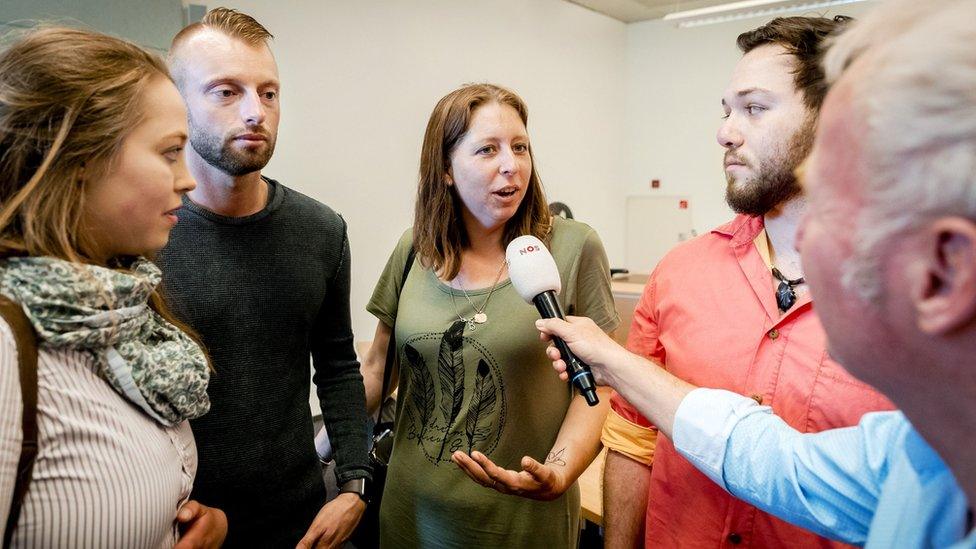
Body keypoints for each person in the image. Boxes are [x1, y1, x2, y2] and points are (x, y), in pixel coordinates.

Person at [537, 0, 976, 546]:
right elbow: (768, 457)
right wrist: (616, 363)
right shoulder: (909, 459)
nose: (725, 133)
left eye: (848, 197)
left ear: (946, 268)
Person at [599, 15, 893, 548]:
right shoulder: (680, 272)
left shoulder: (920, 303)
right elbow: (633, 437)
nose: (725, 132)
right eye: (727, 110)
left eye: (754, 108)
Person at [361, 83, 619, 547]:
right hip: (411, 516)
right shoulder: (413, 250)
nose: (511, 165)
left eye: (521, 147)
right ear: (445, 170)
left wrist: (559, 471)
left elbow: (601, 385)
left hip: (521, 521)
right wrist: (311, 447)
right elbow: (379, 368)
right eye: (487, 150)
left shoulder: (574, 246)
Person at [0, 26, 226, 547]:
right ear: (79, 161)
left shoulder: (125, 312)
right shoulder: (9, 344)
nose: (187, 178)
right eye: (170, 152)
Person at [158, 8, 370, 548]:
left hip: (299, 520)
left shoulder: (321, 229)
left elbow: (339, 365)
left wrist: (353, 484)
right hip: (179, 524)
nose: (256, 112)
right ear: (177, 105)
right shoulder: (144, 233)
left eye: (268, 93)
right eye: (226, 92)